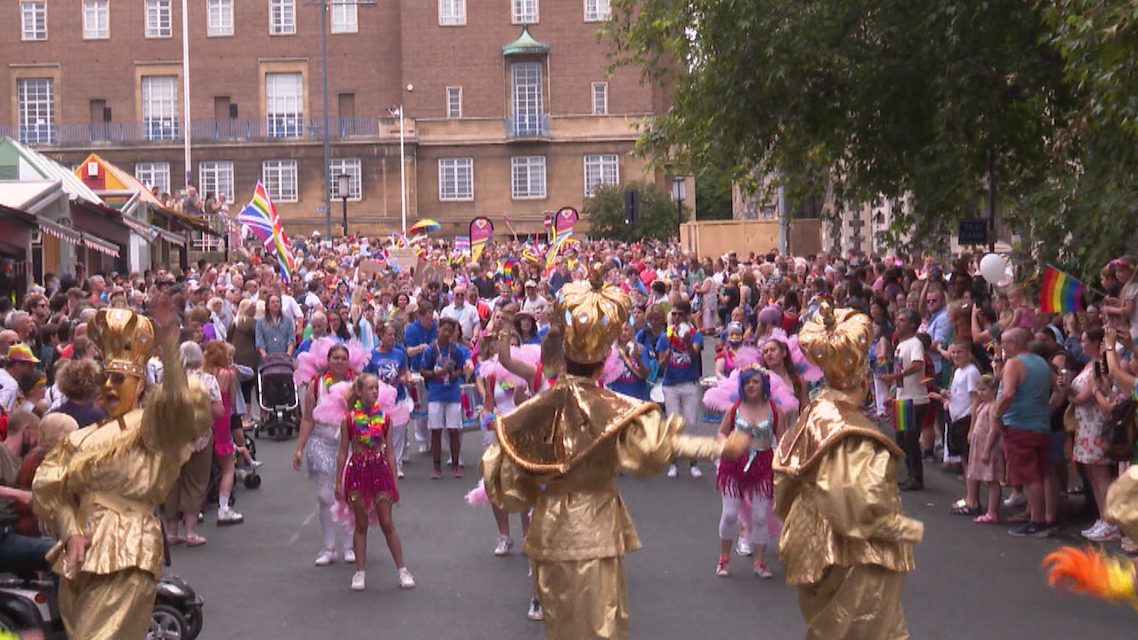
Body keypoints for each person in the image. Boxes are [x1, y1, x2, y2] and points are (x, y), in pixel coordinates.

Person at [480, 265, 748, 640]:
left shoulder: (540, 406)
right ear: (604, 358)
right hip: (597, 524)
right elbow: (657, 446)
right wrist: (719, 446)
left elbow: (506, 477)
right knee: (601, 623)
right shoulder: (613, 408)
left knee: (562, 625)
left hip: (550, 526)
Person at [32, 303, 212, 639]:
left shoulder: (150, 429)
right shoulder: (81, 437)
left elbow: (179, 406)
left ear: (140, 385)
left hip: (129, 547)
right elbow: (56, 492)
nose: (109, 386)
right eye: (104, 379)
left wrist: (169, 348)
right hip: (81, 556)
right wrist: (71, 531)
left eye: (119, 379)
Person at [774, 303, 924, 640]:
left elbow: (786, 482)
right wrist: (904, 529)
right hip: (857, 555)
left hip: (816, 546)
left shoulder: (815, 413)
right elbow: (862, 502)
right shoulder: (853, 434)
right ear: (863, 378)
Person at [333, 374, 415, 591]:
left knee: (387, 522)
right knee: (361, 524)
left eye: (376, 388)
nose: (375, 392)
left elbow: (390, 452)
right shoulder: (349, 420)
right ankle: (359, 572)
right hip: (357, 473)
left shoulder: (385, 419)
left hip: (380, 471)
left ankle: (402, 570)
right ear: (359, 392)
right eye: (370, 388)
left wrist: (394, 479)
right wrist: (338, 481)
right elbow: (343, 451)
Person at [295, 340, 367, 565]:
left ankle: (349, 546)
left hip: (350, 444)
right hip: (321, 442)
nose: (339, 362)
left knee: (349, 495)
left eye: (343, 358)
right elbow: (307, 418)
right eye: (335, 358)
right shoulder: (316, 384)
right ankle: (328, 547)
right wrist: (299, 448)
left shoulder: (357, 383)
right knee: (325, 497)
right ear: (328, 361)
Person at [714, 366, 779, 579]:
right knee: (730, 514)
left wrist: (782, 463)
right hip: (734, 465)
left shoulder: (774, 409)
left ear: (764, 385)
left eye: (755, 382)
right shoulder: (735, 408)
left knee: (760, 517)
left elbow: (783, 439)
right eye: (747, 382)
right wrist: (731, 445)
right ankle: (724, 558)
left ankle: (760, 562)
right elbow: (721, 433)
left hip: (763, 466)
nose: (751, 386)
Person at [995, 327, 1057, 538]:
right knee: (1037, 473)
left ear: (1014, 344)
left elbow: (1008, 394)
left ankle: (1037, 522)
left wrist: (997, 415)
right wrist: (1049, 408)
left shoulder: (1014, 364)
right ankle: (1039, 518)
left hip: (1019, 425)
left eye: (1003, 342)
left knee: (1030, 476)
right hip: (1040, 426)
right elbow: (1060, 387)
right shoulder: (1041, 363)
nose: (1001, 347)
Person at [164, 341, 224, 547]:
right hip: (200, 438)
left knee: (173, 483)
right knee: (196, 482)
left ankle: (171, 533)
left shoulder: (169, 380)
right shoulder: (208, 380)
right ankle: (190, 532)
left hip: (172, 438)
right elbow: (219, 411)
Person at [881, 307, 929, 491]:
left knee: (910, 439)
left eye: (902, 320)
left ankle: (916, 477)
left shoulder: (915, 344)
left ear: (912, 324)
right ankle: (910, 474)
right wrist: (894, 393)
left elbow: (918, 364)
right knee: (901, 440)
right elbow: (900, 372)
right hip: (902, 397)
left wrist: (897, 375)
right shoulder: (901, 345)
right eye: (898, 320)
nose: (897, 323)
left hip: (914, 399)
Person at [657, 300, 705, 478]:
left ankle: (693, 462)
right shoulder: (665, 337)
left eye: (680, 314)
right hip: (671, 385)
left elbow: (693, 353)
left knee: (691, 424)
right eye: (674, 314)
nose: (676, 317)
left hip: (690, 384)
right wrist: (666, 356)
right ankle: (673, 462)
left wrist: (686, 342)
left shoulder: (696, 335)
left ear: (687, 316)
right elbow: (661, 365)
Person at [421, 317, 472, 478]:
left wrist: (454, 374)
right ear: (438, 329)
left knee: (453, 430)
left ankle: (455, 464)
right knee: (435, 430)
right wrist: (435, 373)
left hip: (452, 393)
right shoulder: (430, 350)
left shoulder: (456, 350)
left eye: (450, 331)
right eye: (444, 330)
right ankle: (436, 466)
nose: (447, 333)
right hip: (435, 393)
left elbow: (462, 368)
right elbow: (423, 370)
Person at [203, 340, 243, 524]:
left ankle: (197, 507)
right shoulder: (228, 375)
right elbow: (232, 400)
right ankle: (224, 507)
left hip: (205, 418)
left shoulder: (202, 375)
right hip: (222, 418)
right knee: (228, 467)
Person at [364, 321, 411, 478]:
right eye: (389, 334)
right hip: (379, 402)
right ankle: (380, 464)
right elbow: (365, 377)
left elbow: (404, 371)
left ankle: (396, 466)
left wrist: (405, 378)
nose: (392, 338)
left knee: (398, 433)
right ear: (380, 336)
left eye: (393, 335)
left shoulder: (399, 353)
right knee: (380, 434)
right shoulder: (372, 355)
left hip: (398, 399)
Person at [962, 375, 1004, 524]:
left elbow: (993, 429)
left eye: (984, 390)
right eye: (978, 390)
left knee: (992, 479)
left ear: (994, 390)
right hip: (979, 443)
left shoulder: (993, 407)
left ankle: (992, 512)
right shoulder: (984, 405)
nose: (980, 393)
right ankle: (989, 510)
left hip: (988, 445)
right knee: (987, 478)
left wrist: (987, 450)